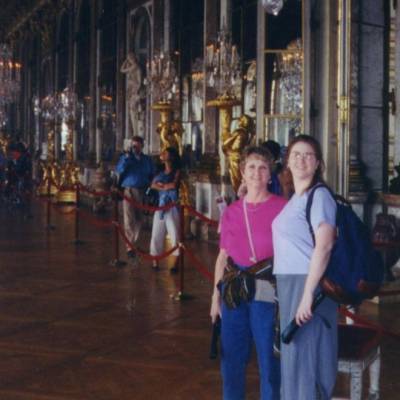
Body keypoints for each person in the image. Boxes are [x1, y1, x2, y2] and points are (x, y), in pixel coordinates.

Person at [210, 146, 287, 400]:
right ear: (242, 172)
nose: (256, 172)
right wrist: (215, 297)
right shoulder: (232, 211)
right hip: (234, 289)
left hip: (267, 288)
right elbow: (223, 256)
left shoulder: (282, 208)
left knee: (269, 360)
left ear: (269, 175)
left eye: (262, 167)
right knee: (231, 358)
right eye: (251, 167)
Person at [272, 134, 338, 400]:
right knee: (295, 361)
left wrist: (307, 295)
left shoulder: (319, 196)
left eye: (308, 155)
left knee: (306, 363)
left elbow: (324, 246)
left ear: (318, 163)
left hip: (308, 285)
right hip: (292, 285)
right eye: (296, 154)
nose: (301, 159)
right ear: (287, 161)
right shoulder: (296, 197)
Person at [116, 136, 154, 258]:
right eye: (133, 146)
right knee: (128, 218)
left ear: (142, 146)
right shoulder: (127, 158)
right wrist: (126, 158)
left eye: (138, 146)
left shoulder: (147, 160)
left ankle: (133, 242)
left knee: (139, 219)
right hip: (128, 191)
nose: (135, 148)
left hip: (141, 191)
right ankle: (129, 246)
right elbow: (119, 169)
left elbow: (152, 174)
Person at [149, 147, 181, 272]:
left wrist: (161, 186)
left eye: (165, 153)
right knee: (156, 233)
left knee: (174, 233)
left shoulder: (177, 172)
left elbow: (174, 185)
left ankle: (175, 263)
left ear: (171, 157)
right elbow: (152, 185)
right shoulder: (159, 172)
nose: (161, 154)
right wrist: (164, 187)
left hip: (172, 206)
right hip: (160, 206)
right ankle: (155, 261)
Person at [120, 52, 142, 134]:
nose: (129, 60)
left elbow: (122, 70)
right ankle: (135, 131)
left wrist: (135, 89)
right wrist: (125, 61)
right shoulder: (132, 67)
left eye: (129, 58)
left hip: (134, 91)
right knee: (132, 111)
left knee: (133, 111)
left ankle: (136, 132)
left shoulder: (135, 67)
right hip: (131, 91)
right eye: (128, 59)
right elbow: (122, 70)